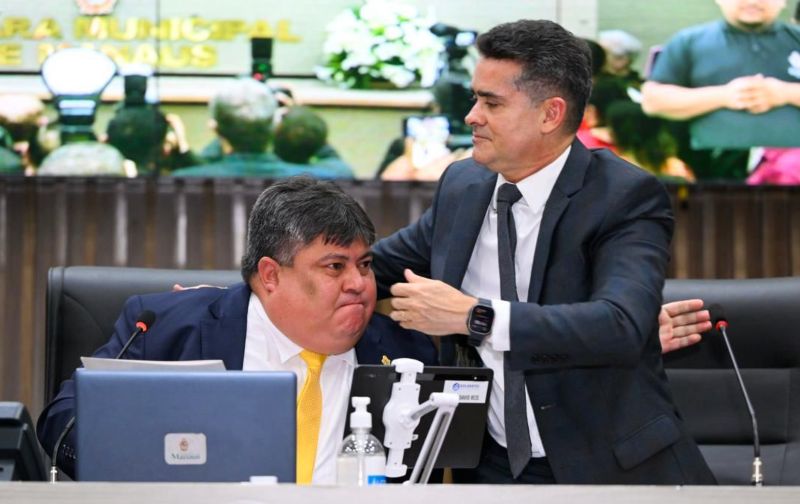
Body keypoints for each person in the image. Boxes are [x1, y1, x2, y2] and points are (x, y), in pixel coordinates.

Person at [371, 19, 715, 484]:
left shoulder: (623, 195)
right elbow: (375, 269)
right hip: (489, 464)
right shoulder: (463, 185)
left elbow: (621, 324)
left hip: (607, 467)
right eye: (475, 99)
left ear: (551, 114)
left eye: (491, 103)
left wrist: (475, 317)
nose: (472, 116)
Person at [37, 176, 438, 483]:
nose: (358, 284)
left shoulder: (408, 353)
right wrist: (157, 464)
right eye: (335, 267)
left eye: (365, 265)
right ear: (271, 275)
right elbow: (63, 422)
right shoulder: (168, 328)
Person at [641, 0, 800, 180]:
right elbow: (652, 101)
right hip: (707, 169)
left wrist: (785, 93)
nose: (753, 1)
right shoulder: (688, 42)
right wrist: (724, 96)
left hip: (792, 172)